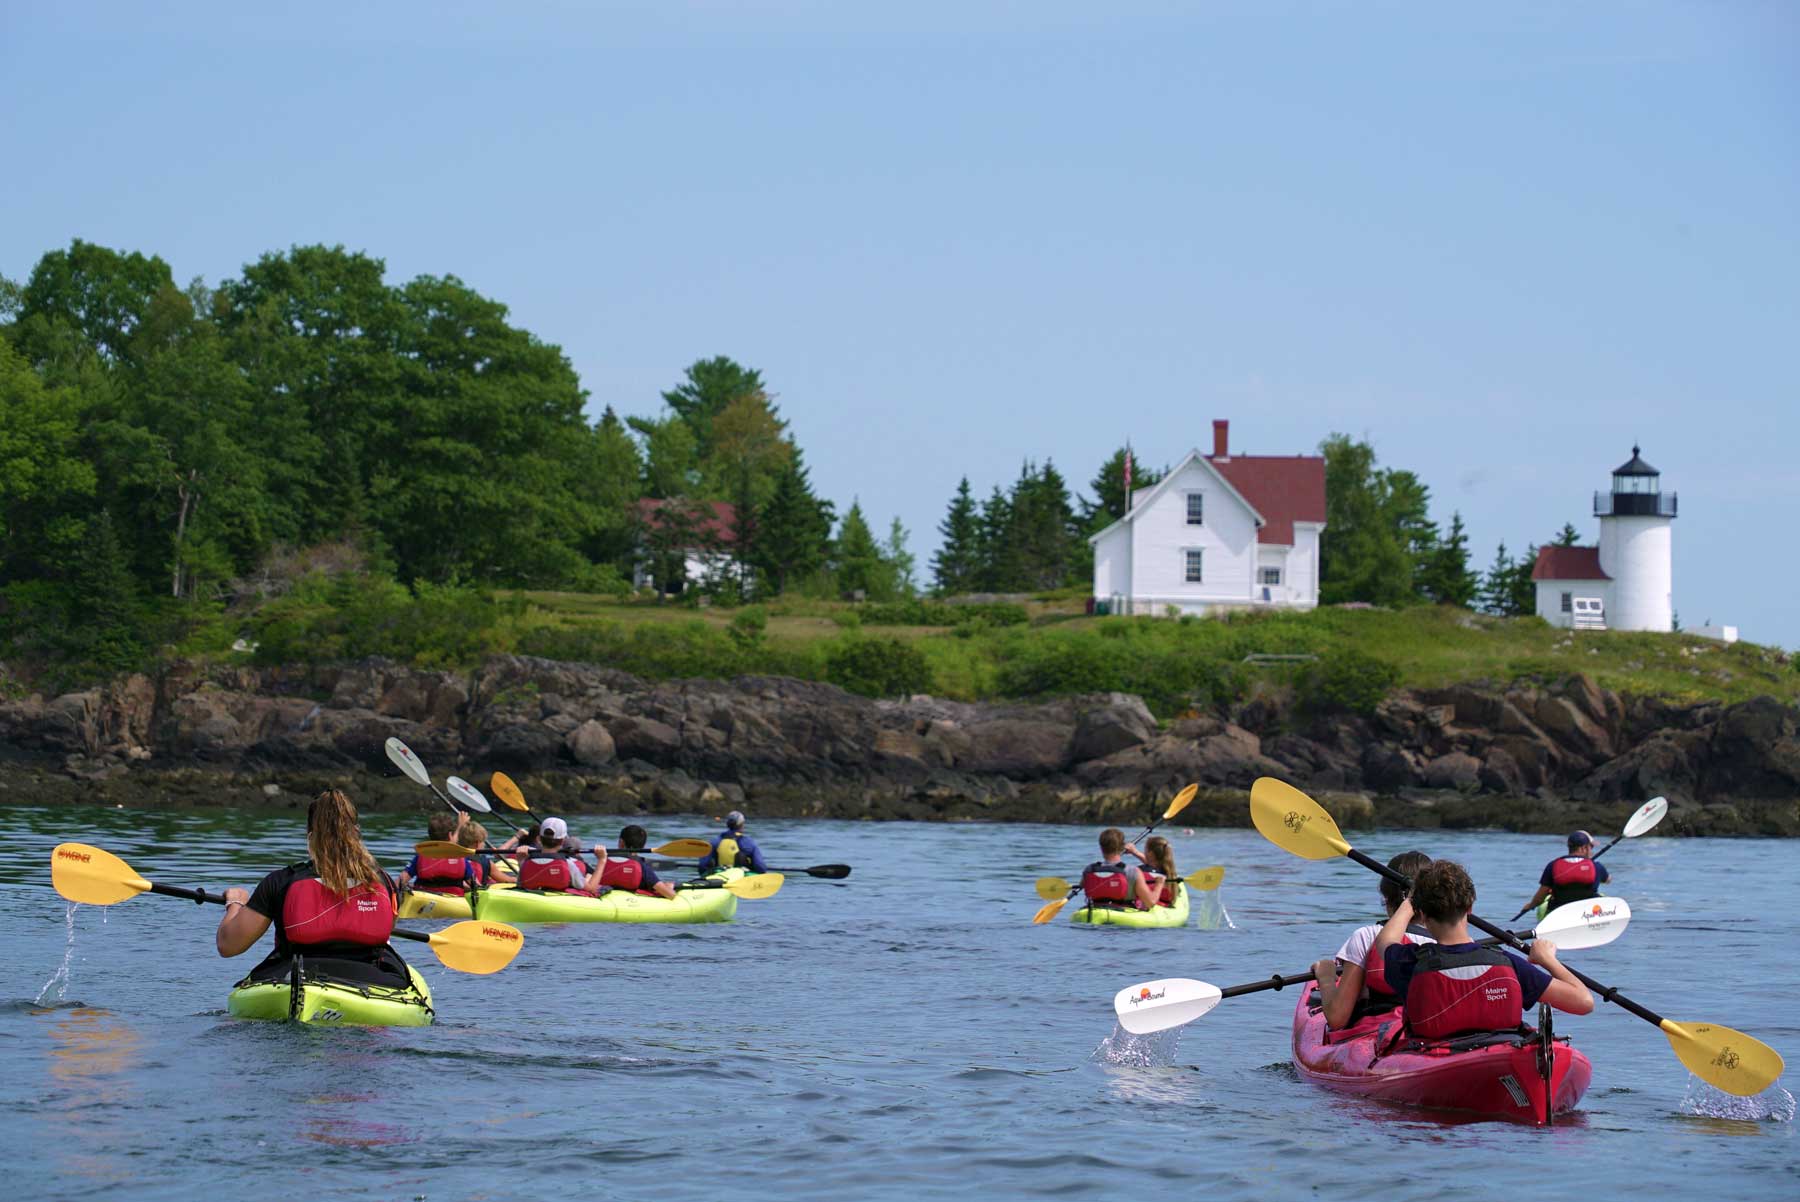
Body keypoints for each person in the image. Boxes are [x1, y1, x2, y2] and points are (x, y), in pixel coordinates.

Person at [215, 789, 413, 989]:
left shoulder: (281, 882)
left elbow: (228, 945)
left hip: (295, 978)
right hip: (372, 981)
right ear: (357, 833)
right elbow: (384, 932)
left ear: (310, 836)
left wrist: (236, 902)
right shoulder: (384, 883)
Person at [1376, 859, 1593, 1041]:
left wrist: (1411, 901)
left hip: (1438, 1058)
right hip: (1501, 1055)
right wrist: (1547, 959)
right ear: (1470, 907)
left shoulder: (1409, 962)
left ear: (1422, 914)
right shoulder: (1508, 963)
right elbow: (1584, 1002)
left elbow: (1386, 940)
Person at [1311, 849, 1434, 1030]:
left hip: (1376, 1040)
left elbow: (1337, 1019)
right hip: (1425, 1036)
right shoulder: (1449, 940)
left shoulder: (1367, 937)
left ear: (1386, 897)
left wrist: (1327, 977)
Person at [1519, 831, 1611, 917]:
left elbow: (1540, 897)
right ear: (1584, 848)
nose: (1591, 851)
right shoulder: (1596, 867)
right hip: (1587, 914)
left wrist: (1530, 905)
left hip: (1559, 913)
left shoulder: (1553, 865)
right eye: (1590, 847)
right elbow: (1608, 880)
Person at [1078, 827, 1163, 911]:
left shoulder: (1089, 869)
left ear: (1101, 847)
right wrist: (1159, 884)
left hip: (1093, 910)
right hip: (1124, 914)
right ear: (1122, 847)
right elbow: (1150, 903)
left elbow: (1081, 886)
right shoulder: (1133, 871)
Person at [398, 809, 480, 895]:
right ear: (450, 835)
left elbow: (400, 881)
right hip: (454, 904)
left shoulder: (420, 858)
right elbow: (477, 887)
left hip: (424, 902)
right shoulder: (461, 859)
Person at [589, 825, 678, 900]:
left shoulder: (603, 860)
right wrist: (669, 887)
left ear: (621, 842)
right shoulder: (642, 866)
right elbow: (670, 895)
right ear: (643, 846)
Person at [513, 817, 588, 891]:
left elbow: (521, 884)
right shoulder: (568, 863)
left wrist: (521, 861)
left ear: (539, 839)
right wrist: (600, 860)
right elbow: (590, 888)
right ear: (563, 841)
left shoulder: (527, 861)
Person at [697, 811, 770, 874]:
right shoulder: (748, 842)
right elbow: (760, 867)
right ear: (741, 825)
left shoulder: (715, 841)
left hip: (719, 875)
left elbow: (703, 866)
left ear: (727, 824)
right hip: (741, 877)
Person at [457, 819, 514, 885]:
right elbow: (507, 880)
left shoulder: (452, 855)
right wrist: (516, 878)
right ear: (477, 844)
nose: (484, 844)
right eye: (483, 841)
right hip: (477, 893)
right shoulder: (486, 862)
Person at [1130, 835, 1180, 907]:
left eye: (1145, 850)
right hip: (1163, 906)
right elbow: (1153, 865)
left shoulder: (1139, 871)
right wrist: (1135, 852)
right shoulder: (1170, 873)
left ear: (1150, 853)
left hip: (1144, 905)